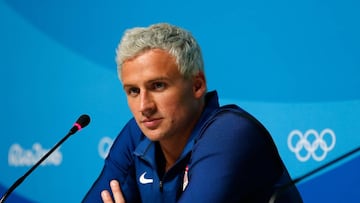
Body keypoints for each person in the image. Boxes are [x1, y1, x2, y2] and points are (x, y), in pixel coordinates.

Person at [82, 23, 302, 203]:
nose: (144, 106)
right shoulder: (138, 133)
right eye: (133, 91)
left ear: (197, 86)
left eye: (158, 86)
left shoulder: (231, 133)